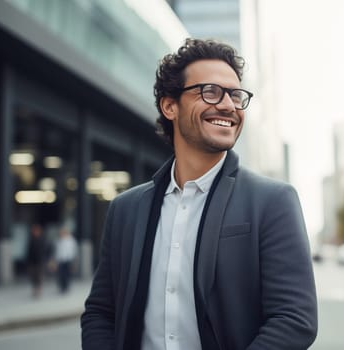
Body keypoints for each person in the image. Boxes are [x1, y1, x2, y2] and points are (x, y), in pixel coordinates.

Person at [81, 38, 317, 349]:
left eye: (235, 95)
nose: (228, 105)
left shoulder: (273, 201)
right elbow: (100, 312)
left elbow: (294, 318)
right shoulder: (125, 209)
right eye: (210, 91)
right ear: (170, 106)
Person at [54, 227, 77, 294]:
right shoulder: (59, 241)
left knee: (67, 274)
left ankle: (66, 287)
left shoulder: (71, 240)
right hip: (61, 260)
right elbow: (57, 251)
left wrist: (73, 261)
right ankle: (62, 287)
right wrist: (55, 260)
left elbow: (73, 251)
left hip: (68, 260)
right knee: (61, 275)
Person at [26, 223, 47, 298]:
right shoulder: (31, 239)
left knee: (39, 276)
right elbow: (29, 251)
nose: (35, 232)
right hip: (32, 261)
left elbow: (44, 251)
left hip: (40, 261)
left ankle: (39, 290)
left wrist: (45, 260)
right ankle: (35, 289)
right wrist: (28, 261)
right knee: (33, 276)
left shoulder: (42, 240)